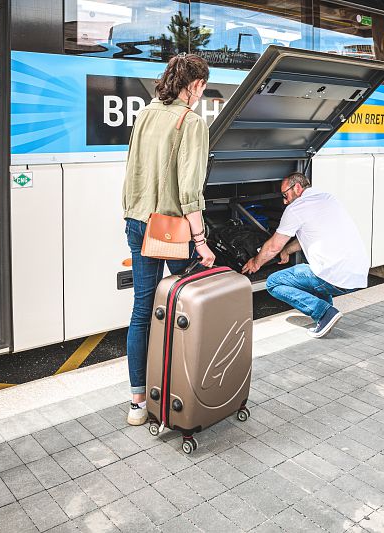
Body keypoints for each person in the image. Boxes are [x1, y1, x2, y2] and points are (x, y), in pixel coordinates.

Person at [122, 53, 216, 426]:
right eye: (203, 87)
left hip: (137, 221)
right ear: (194, 86)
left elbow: (132, 169)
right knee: (186, 307)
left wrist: (133, 213)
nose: (202, 94)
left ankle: (137, 403)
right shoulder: (191, 122)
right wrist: (201, 240)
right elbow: (189, 189)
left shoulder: (145, 113)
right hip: (172, 228)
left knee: (142, 310)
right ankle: (181, 390)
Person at [242, 172, 369, 338]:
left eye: (285, 195)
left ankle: (324, 313)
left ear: (297, 187)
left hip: (334, 276)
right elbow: (310, 235)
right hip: (357, 272)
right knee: (310, 268)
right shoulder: (327, 198)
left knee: (273, 283)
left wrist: (255, 262)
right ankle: (327, 314)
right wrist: (286, 251)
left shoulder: (297, 207)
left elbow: (273, 246)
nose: (284, 201)